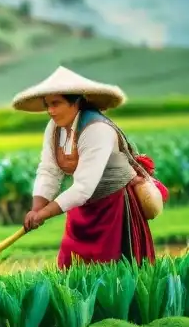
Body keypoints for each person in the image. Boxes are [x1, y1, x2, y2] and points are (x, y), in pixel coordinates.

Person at [12, 66, 165, 269]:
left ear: (75, 102)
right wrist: (36, 209)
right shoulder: (54, 128)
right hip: (82, 207)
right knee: (71, 267)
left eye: (56, 104)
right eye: (47, 105)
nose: (50, 111)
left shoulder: (97, 129)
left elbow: (84, 187)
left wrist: (44, 214)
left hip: (113, 205)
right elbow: (49, 170)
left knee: (116, 270)